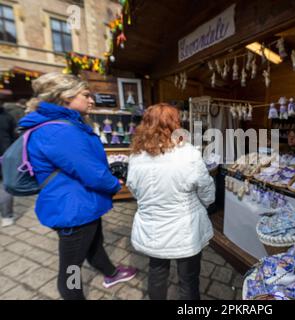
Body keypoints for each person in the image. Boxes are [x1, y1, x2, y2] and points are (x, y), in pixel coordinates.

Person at [18, 72, 136, 300]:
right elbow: (91, 173)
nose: (91, 100)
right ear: (64, 97)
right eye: (86, 95)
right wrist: (114, 183)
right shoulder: (60, 131)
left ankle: (111, 273)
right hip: (74, 210)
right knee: (71, 269)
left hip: (81, 204)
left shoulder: (60, 125)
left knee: (94, 243)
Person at [127, 103, 215, 300]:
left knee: (157, 273)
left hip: (153, 227)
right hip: (186, 227)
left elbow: (134, 189)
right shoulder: (189, 153)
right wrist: (205, 204)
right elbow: (206, 189)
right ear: (175, 124)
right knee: (189, 278)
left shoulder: (136, 156)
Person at [0, 103, 16, 227]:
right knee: (5, 187)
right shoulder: (7, 116)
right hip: (5, 155)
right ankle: (7, 216)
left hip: (4, 155)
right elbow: (14, 136)